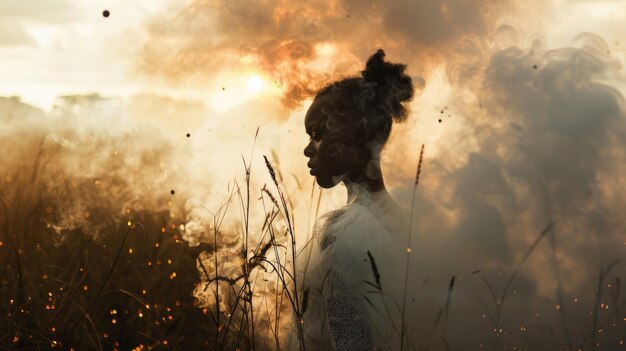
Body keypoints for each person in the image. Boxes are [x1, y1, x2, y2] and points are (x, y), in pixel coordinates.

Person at [294, 49, 414, 350]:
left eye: (317, 133)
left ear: (357, 135)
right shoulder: (404, 222)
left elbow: (351, 340)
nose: (308, 149)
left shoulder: (348, 227)